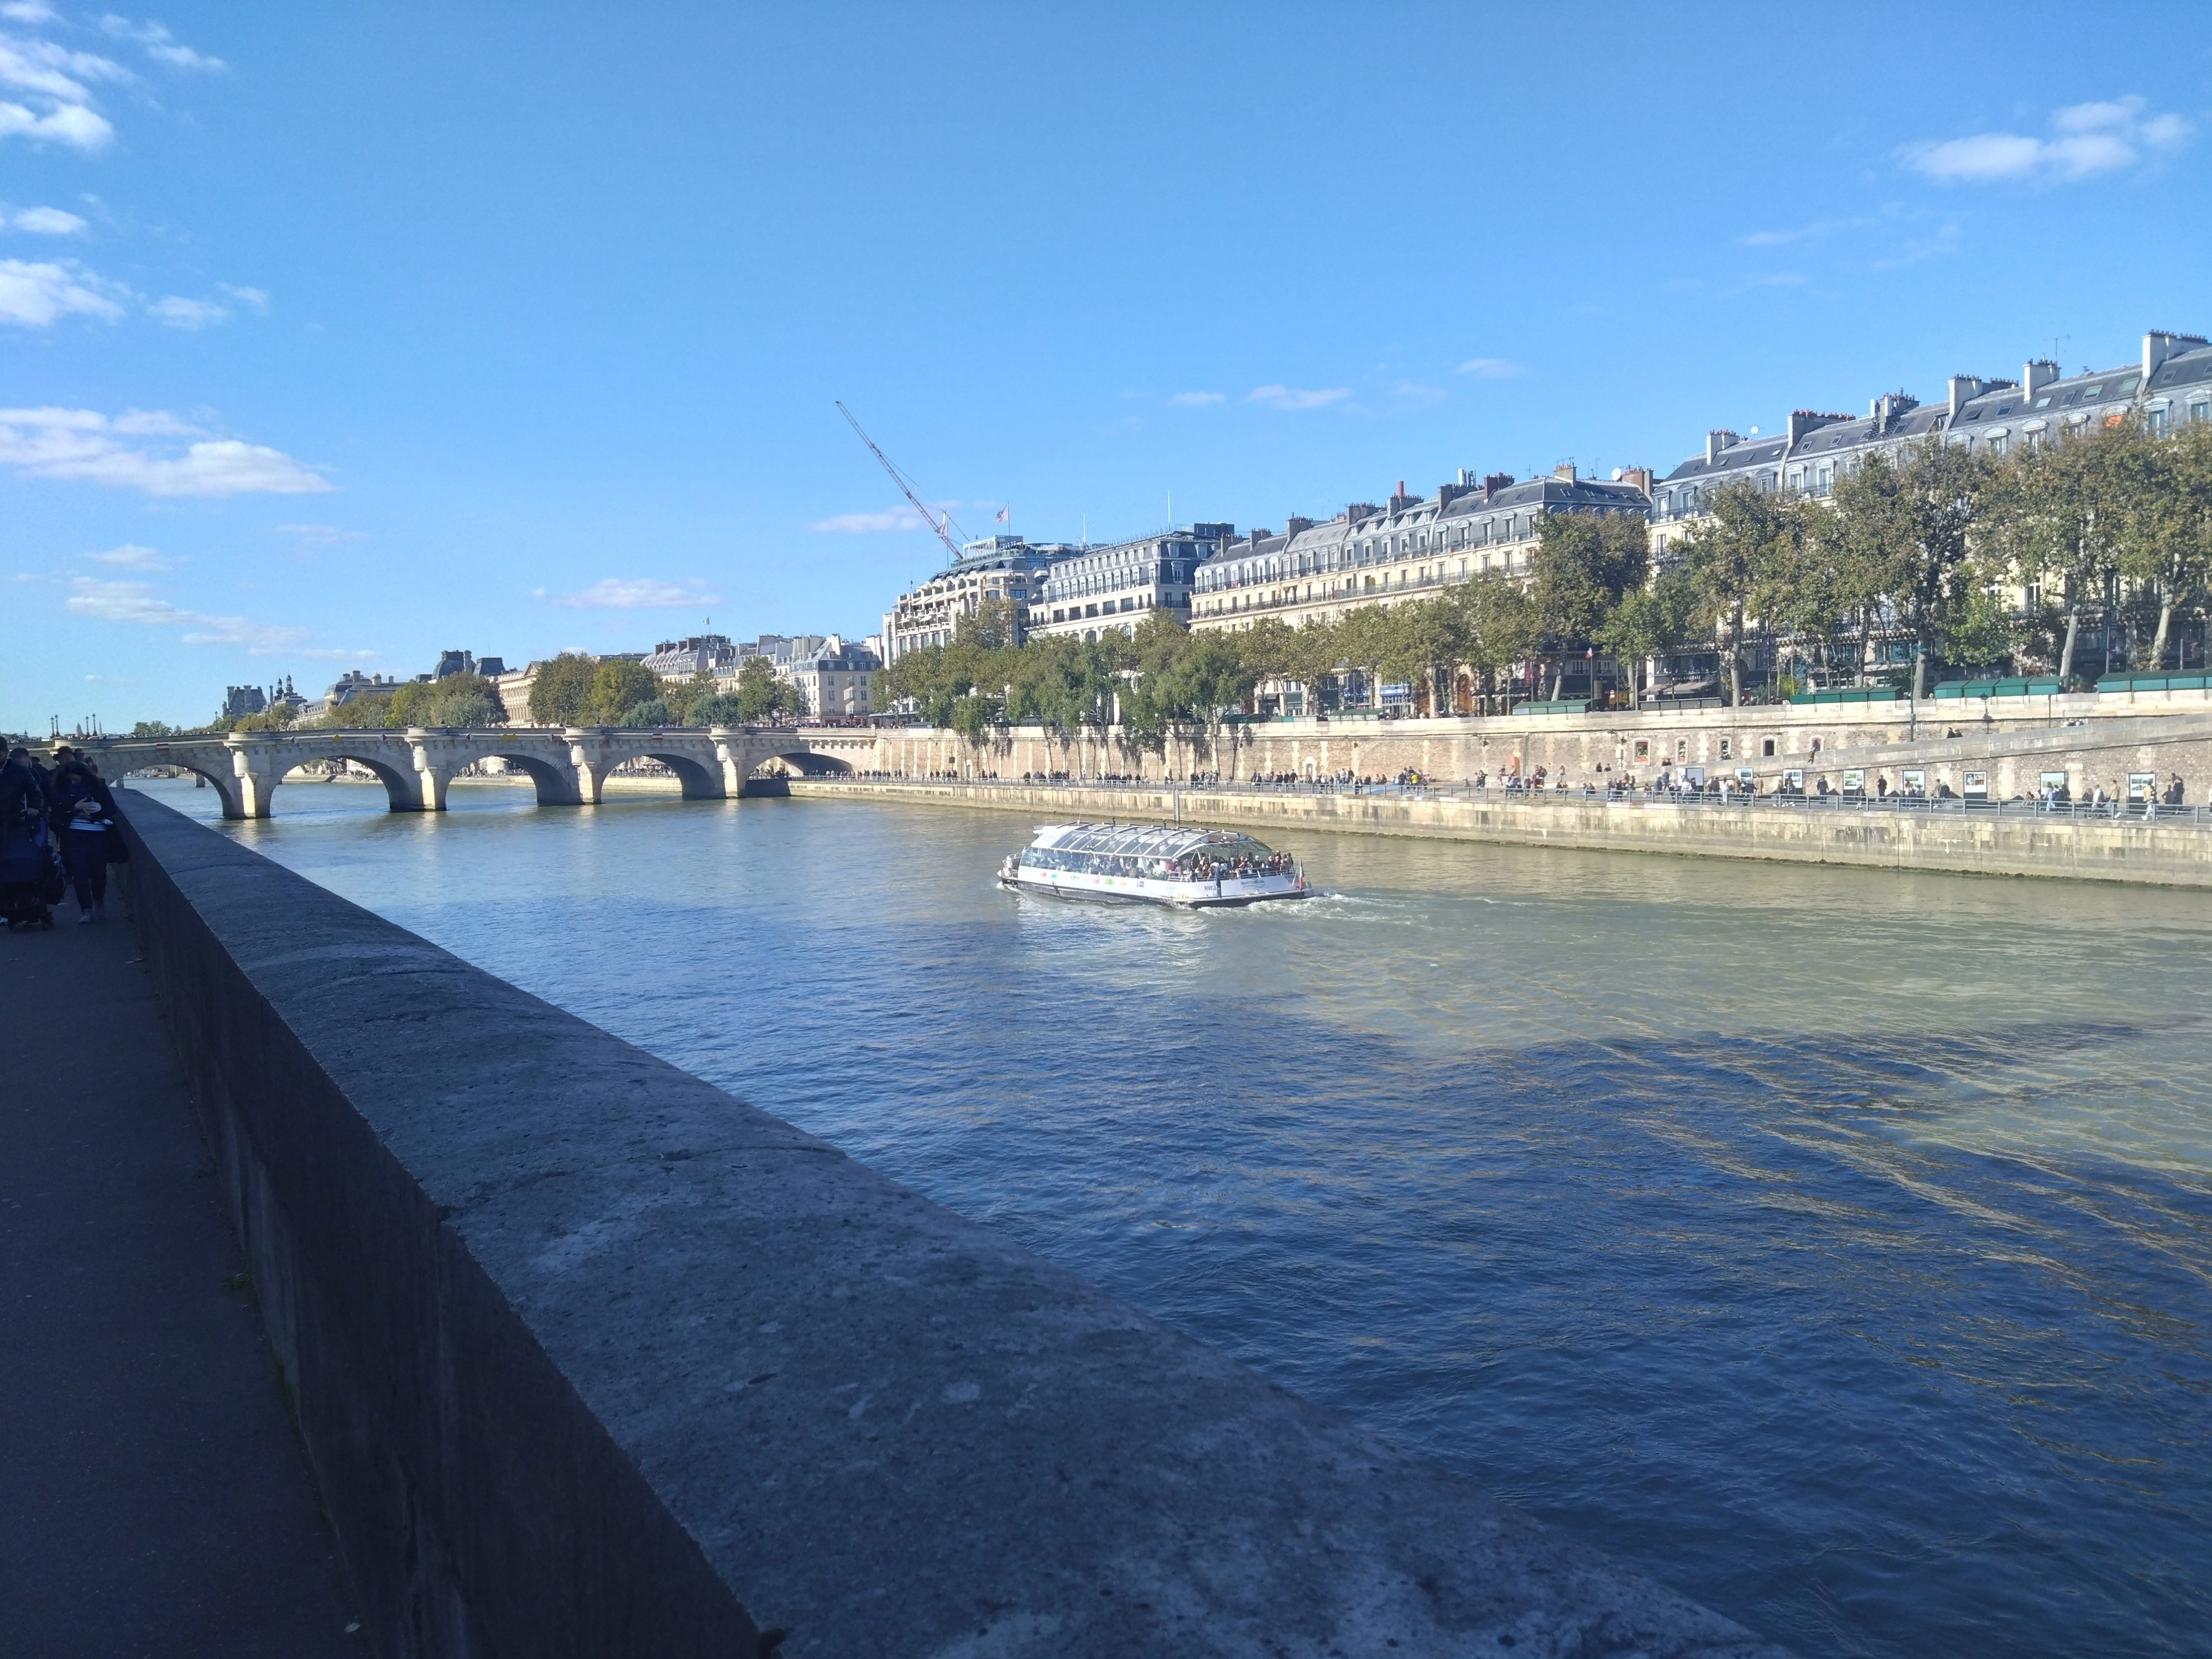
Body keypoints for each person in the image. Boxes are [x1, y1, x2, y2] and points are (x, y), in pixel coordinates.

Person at [47, 758, 119, 924]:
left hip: (98, 835)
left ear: (84, 777)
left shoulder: (99, 787)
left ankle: (99, 901)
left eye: (76, 779)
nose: (73, 782)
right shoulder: (61, 790)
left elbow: (111, 808)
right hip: (74, 836)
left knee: (99, 873)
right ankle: (86, 909)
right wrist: (74, 807)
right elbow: (55, 812)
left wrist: (93, 816)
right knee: (79, 873)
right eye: (70, 780)